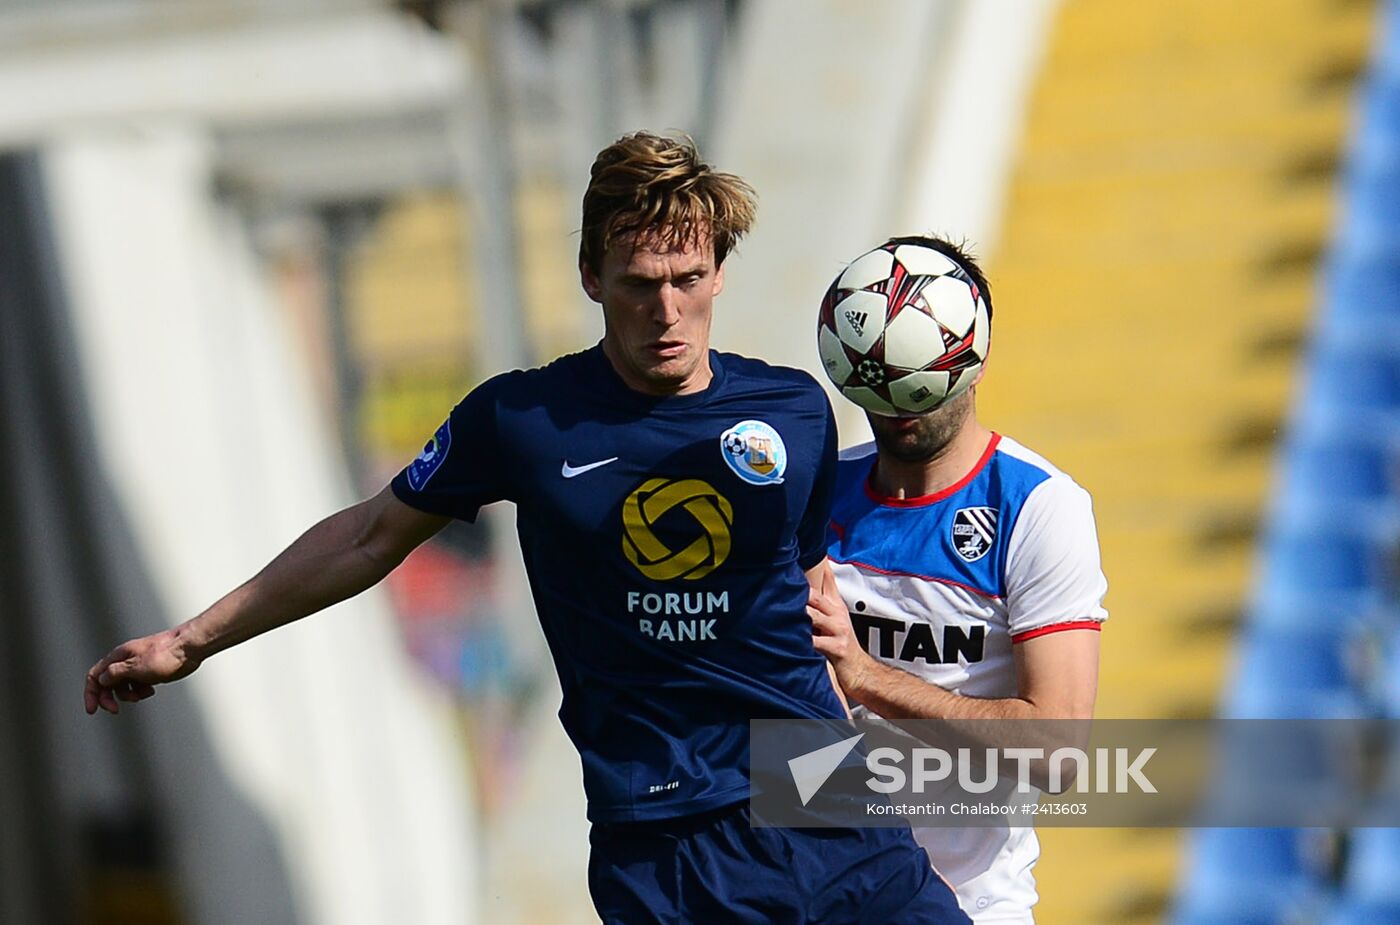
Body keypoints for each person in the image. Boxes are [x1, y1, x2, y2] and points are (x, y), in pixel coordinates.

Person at [86, 134, 970, 924]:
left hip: (817, 782)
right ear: (591, 276)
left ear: (719, 272)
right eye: (638, 285)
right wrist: (190, 639)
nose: (666, 312)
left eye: (687, 281)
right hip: (666, 827)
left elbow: (804, 575)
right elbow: (366, 538)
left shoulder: (796, 411)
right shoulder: (522, 420)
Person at [807, 235, 1108, 925]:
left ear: (977, 356)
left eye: (924, 373)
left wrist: (870, 675)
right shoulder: (819, 497)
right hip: (822, 893)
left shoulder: (1036, 507)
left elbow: (1059, 750)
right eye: (881, 377)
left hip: (968, 905)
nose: (902, 401)